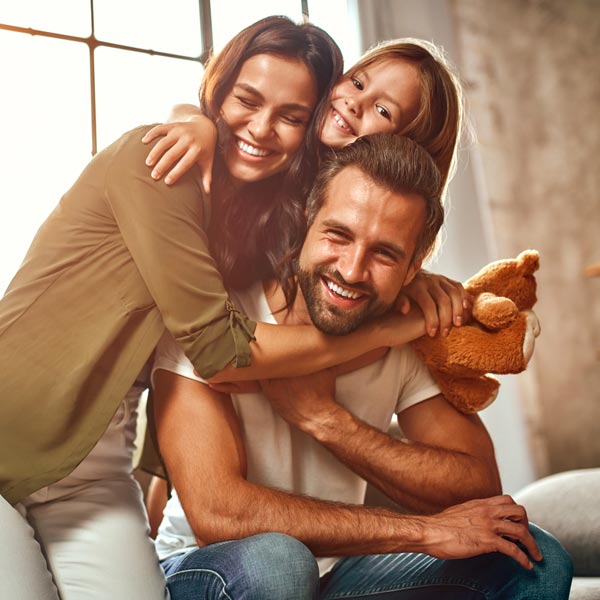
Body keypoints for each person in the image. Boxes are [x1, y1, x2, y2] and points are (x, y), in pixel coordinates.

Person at [0, 16, 414, 600]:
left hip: (91, 471)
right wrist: (390, 331)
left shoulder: (257, 224)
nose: (263, 129)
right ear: (217, 92)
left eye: (292, 117)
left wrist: (424, 293)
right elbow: (220, 351)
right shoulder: (155, 165)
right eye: (246, 100)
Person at [151, 134, 573, 599]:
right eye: (339, 234)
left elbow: (474, 485)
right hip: (208, 569)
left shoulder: (405, 334)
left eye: (385, 253)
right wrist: (422, 532)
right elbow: (220, 515)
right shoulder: (214, 321)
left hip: (339, 572)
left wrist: (328, 420)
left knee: (534, 561)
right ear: (307, 221)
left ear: (415, 266)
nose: (352, 270)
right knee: (279, 562)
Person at [144, 36, 471, 337]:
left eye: (383, 110)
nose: (355, 103)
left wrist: (410, 279)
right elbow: (202, 111)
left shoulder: (353, 266)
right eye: (356, 83)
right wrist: (196, 122)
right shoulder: (277, 147)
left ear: (405, 150)